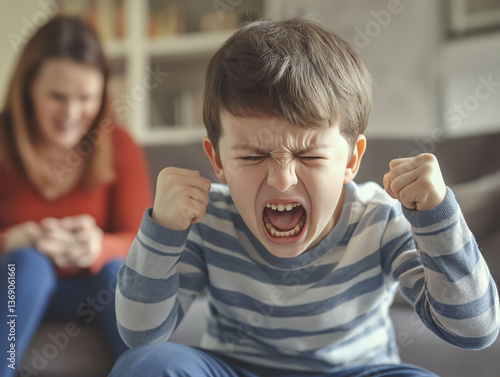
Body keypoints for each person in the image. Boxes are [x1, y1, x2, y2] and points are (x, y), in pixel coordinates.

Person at [109, 18, 499, 377]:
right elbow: (140, 335)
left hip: (356, 370)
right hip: (235, 369)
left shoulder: (379, 219)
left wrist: (437, 217)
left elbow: (474, 330)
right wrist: (161, 230)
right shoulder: (207, 219)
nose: (281, 181)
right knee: (147, 364)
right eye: (253, 155)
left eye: (308, 155)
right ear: (218, 161)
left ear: (351, 160)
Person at [0, 16, 152, 375]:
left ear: (102, 94)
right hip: (10, 289)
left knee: (116, 272)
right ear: (28, 88)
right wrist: (10, 241)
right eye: (56, 96)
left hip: (89, 292)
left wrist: (98, 247)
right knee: (28, 265)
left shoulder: (120, 146)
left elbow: (145, 242)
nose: (71, 114)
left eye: (85, 98)